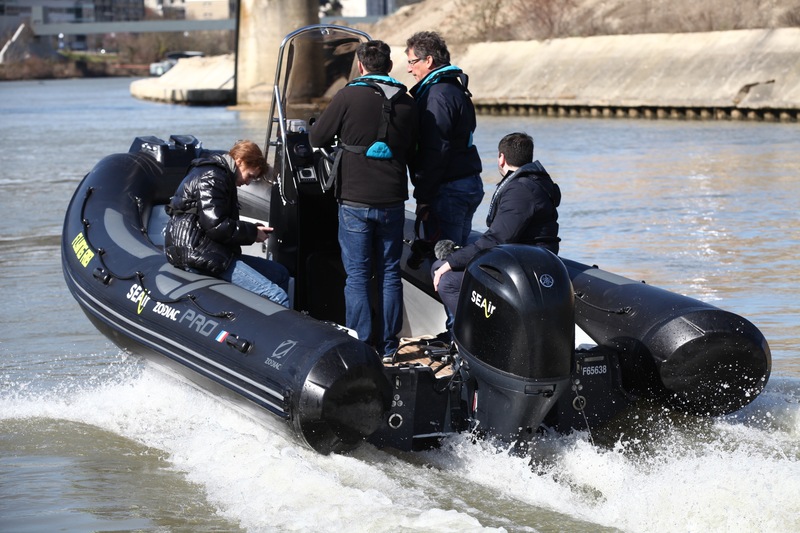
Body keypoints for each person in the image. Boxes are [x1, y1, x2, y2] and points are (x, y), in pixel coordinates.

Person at [309, 40, 418, 362]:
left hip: (355, 198)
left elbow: (317, 138)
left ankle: (360, 347)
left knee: (357, 275)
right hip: (393, 198)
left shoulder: (348, 95)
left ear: (360, 66)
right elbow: (414, 146)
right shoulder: (408, 102)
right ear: (390, 66)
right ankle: (388, 348)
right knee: (389, 273)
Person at [432, 132, 561, 320]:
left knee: (448, 281)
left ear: (502, 158)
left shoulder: (520, 190)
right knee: (439, 265)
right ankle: (457, 334)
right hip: (522, 257)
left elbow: (498, 238)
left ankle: (479, 340)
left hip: (525, 266)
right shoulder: (532, 181)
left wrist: (452, 261)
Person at [164, 140, 290, 308]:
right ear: (239, 161)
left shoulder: (220, 176)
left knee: (280, 274)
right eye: (250, 176)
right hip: (197, 253)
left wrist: (254, 229)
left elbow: (216, 220)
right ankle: (278, 333)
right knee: (277, 296)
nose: (248, 183)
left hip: (210, 249)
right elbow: (216, 227)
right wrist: (252, 233)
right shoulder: (213, 176)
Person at [405, 31, 484, 247]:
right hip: (467, 181)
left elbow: (436, 148)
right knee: (456, 253)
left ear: (428, 60)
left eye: (412, 62)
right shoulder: (455, 88)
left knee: (444, 257)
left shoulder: (436, 95)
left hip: (449, 188)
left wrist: (423, 197)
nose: (409, 69)